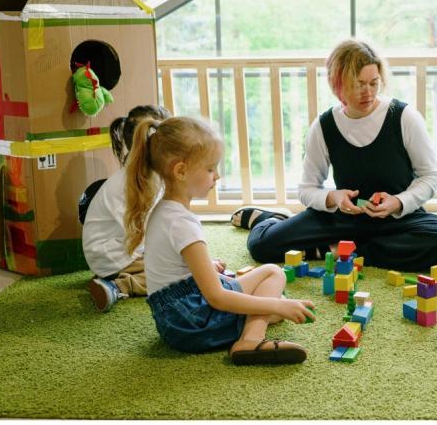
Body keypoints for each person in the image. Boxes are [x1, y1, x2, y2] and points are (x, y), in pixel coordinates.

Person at [232, 38, 437, 272]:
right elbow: (307, 188)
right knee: (262, 246)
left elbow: (431, 176)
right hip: (343, 219)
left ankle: (341, 250)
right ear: (338, 84)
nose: (368, 92)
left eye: (374, 83)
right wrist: (333, 198)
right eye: (358, 84)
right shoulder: (323, 126)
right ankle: (268, 220)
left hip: (396, 220)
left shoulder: (404, 117)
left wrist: (398, 202)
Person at [125, 116, 314, 364]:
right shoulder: (182, 222)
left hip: (175, 316)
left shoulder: (165, 210)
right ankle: (251, 340)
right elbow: (216, 297)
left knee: (271, 279)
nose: (217, 176)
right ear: (181, 171)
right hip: (191, 321)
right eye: (210, 168)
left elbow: (177, 270)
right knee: (274, 295)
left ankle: (258, 320)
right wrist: (277, 307)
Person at [83, 105, 173, 313]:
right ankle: (119, 285)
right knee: (177, 273)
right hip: (111, 254)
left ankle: (116, 279)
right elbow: (141, 235)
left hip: (122, 249)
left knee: (183, 264)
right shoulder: (129, 184)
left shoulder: (150, 177)